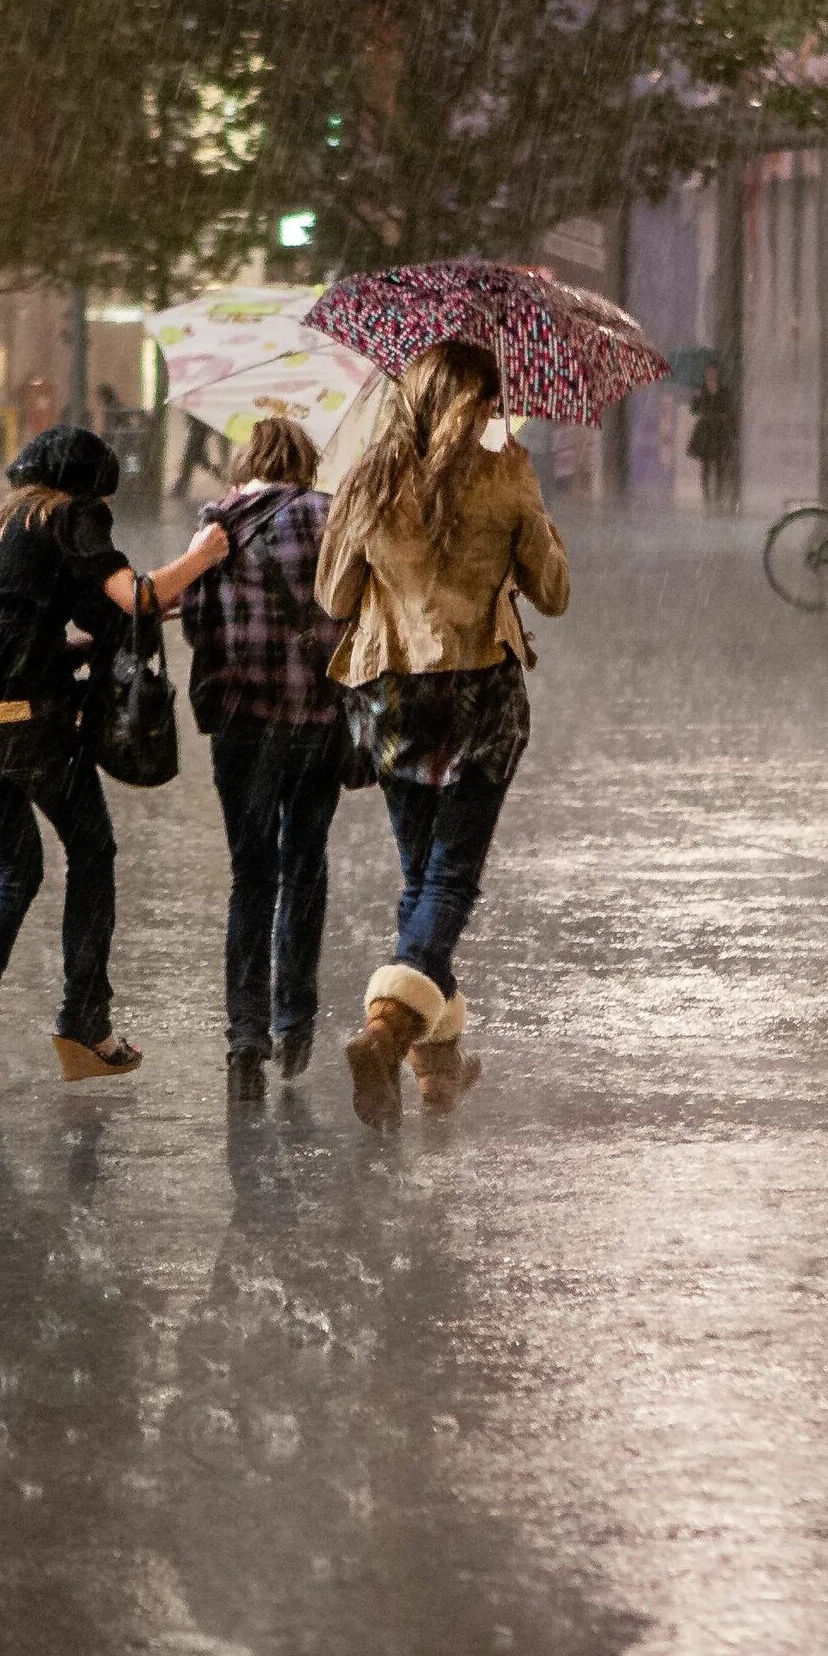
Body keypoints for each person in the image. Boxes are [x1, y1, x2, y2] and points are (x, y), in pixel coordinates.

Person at [0, 424, 228, 1094]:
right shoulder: (71, 515)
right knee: (92, 851)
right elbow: (139, 595)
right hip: (24, 726)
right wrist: (201, 554)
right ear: (87, 488)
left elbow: (18, 632)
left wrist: (93, 643)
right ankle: (85, 1027)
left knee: (14, 868)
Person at [318, 340, 568, 1126]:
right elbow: (553, 593)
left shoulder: (368, 481)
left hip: (393, 694)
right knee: (449, 882)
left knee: (422, 880)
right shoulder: (503, 478)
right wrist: (529, 501)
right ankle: (387, 1034)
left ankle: (438, 1067)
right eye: (492, 404)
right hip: (479, 695)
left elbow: (333, 598)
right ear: (481, 404)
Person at [181, 418, 346, 1102]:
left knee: (253, 875)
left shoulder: (218, 523)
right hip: (319, 723)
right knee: (305, 868)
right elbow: (356, 606)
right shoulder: (332, 517)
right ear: (305, 463)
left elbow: (196, 626)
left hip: (244, 727)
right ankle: (295, 1022)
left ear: (247, 463)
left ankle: (245, 1034)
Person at [688, 360, 741, 511]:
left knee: (719, 466)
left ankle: (717, 496)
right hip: (705, 431)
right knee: (705, 466)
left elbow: (727, 408)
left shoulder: (724, 391)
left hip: (719, 430)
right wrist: (696, 398)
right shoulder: (700, 390)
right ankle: (707, 498)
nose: (710, 375)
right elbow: (695, 410)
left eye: (713, 372)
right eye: (708, 372)